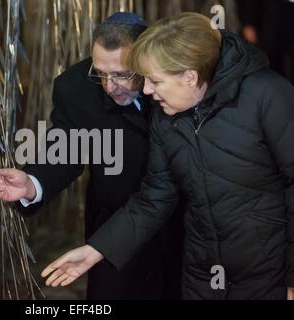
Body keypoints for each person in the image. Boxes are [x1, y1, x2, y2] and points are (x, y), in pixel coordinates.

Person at [41, 12, 294, 300]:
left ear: (190, 76)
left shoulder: (268, 95)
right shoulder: (167, 116)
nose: (146, 91)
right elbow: (155, 197)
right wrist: (96, 251)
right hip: (202, 276)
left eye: (155, 82)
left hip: (267, 276)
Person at [0, 12, 184, 299]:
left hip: (181, 222)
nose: (109, 86)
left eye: (121, 74)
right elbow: (66, 148)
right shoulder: (76, 87)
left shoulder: (175, 77)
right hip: (113, 223)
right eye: (100, 73)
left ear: (146, 61)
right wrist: (32, 183)